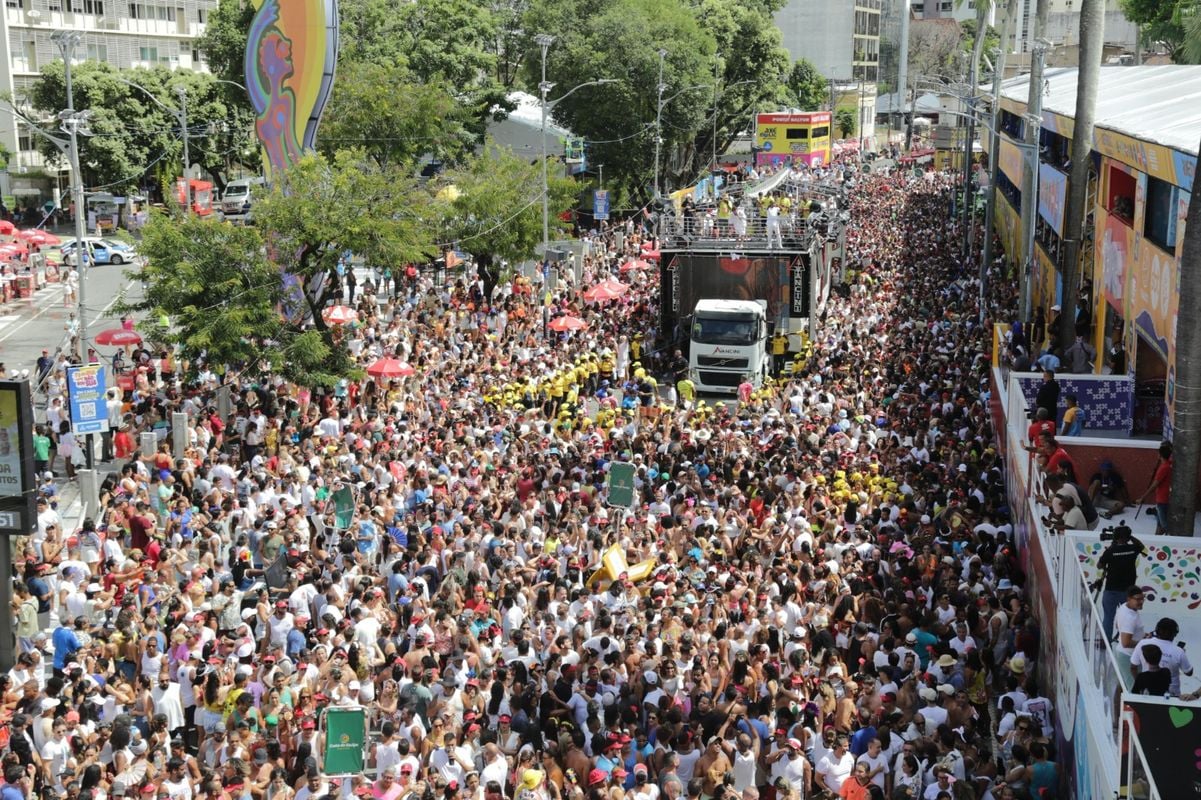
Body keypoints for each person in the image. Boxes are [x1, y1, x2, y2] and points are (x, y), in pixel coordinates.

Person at [1093, 524, 1145, 641]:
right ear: (1127, 537)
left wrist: (1111, 550)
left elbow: (1099, 566)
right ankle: (1126, 640)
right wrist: (1131, 537)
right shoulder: (1133, 549)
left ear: (1116, 537)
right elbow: (1143, 548)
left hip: (1111, 589)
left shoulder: (1111, 551)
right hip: (1128, 592)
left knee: (1108, 617)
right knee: (1129, 617)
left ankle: (1105, 641)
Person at [1130, 618, 1194, 697]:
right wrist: (1182, 654)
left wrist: (1141, 682)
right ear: (1174, 634)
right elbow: (1189, 672)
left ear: (1156, 631)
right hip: (1171, 695)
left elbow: (1133, 667)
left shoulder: (1143, 643)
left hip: (1147, 693)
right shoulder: (1178, 651)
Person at [1136, 441, 1173, 536]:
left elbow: (1154, 485)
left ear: (1160, 455)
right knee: (1160, 524)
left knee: (1164, 525)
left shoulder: (1163, 468)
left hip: (1162, 499)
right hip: (1165, 498)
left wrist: (1142, 497)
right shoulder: (1170, 464)